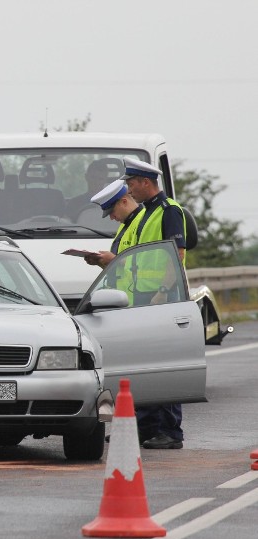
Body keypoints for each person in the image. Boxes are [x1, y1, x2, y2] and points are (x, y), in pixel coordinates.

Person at [121, 157, 188, 451]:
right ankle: (148, 428)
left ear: (145, 182)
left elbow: (177, 254)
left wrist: (163, 289)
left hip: (161, 298)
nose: (129, 189)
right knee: (144, 364)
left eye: (131, 183)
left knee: (164, 364)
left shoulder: (169, 211)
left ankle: (170, 432)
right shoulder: (144, 213)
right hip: (141, 298)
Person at [83, 179, 144, 269]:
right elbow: (121, 270)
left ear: (124, 202)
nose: (111, 217)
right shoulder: (125, 224)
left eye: (112, 211)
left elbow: (145, 265)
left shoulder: (144, 222)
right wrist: (101, 262)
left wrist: (113, 260)